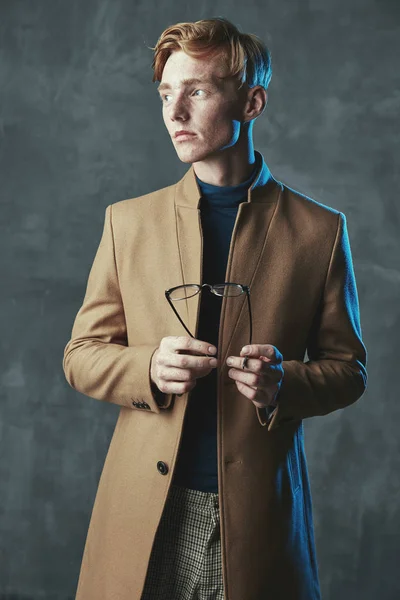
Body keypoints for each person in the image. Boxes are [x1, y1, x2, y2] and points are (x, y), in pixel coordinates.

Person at [63, 16, 367, 600]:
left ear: (251, 101)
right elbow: (80, 356)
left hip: (256, 520)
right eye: (165, 94)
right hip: (141, 513)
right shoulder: (127, 223)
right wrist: (146, 367)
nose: (173, 113)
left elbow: (350, 369)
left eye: (196, 91)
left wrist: (285, 381)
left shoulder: (321, 231)